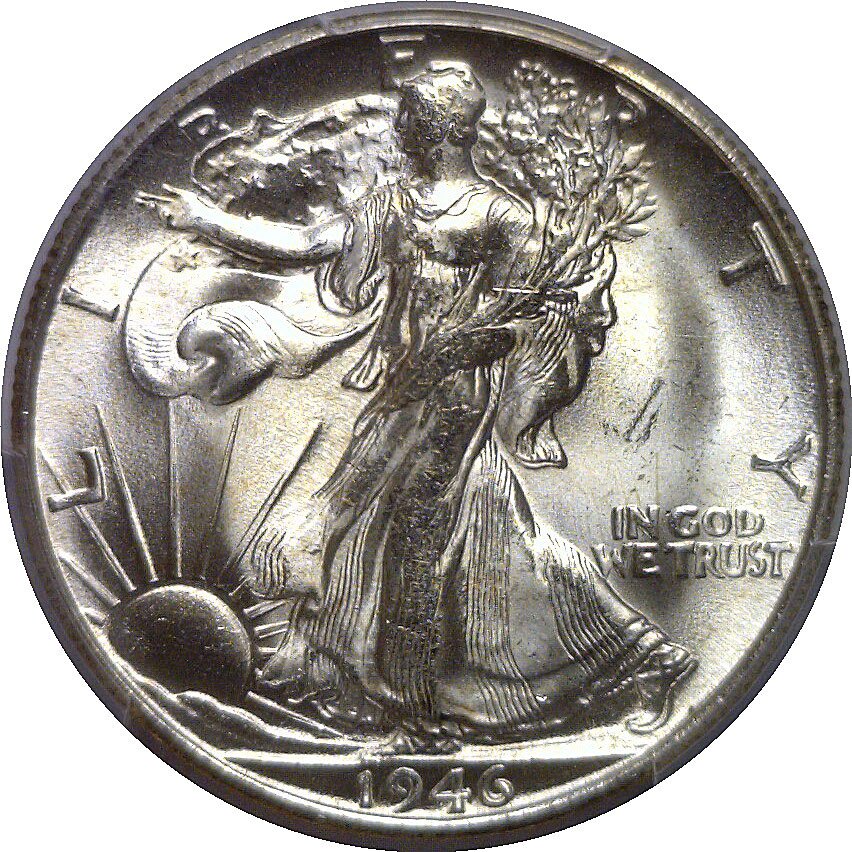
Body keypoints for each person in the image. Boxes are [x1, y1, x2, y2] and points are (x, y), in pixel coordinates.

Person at [145, 62, 695, 749]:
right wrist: (207, 219)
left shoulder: (502, 217)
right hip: (403, 395)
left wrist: (468, 346)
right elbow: (306, 245)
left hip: (455, 401)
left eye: (408, 115)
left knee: (413, 547)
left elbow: (524, 320)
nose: (398, 126)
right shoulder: (392, 205)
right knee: (460, 541)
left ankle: (415, 716)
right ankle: (638, 657)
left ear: (435, 126)